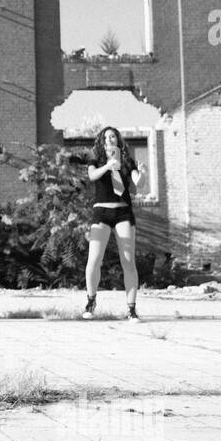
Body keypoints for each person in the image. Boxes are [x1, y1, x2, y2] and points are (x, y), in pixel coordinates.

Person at [82, 125, 144, 321]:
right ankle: (91, 301)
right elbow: (92, 176)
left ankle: (131, 309)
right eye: (106, 137)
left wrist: (142, 174)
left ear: (118, 140)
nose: (110, 139)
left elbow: (138, 183)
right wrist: (108, 166)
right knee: (94, 260)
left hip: (123, 212)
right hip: (101, 212)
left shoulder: (127, 161)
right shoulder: (96, 160)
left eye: (113, 136)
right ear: (102, 141)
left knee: (128, 261)